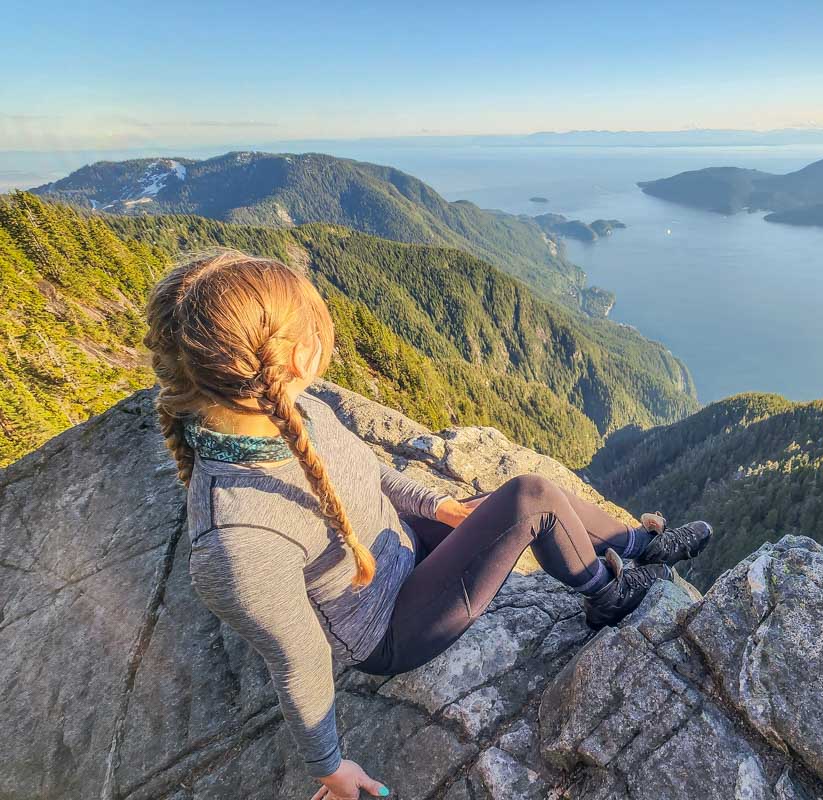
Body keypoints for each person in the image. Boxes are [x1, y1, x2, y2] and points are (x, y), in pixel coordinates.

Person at [143, 250, 713, 800]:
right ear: (294, 357)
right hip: (389, 629)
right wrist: (331, 766)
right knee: (530, 498)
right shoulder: (236, 540)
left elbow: (364, 471)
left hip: (401, 547)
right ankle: (608, 596)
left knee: (521, 498)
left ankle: (640, 544)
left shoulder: (284, 410)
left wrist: (439, 507)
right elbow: (300, 661)